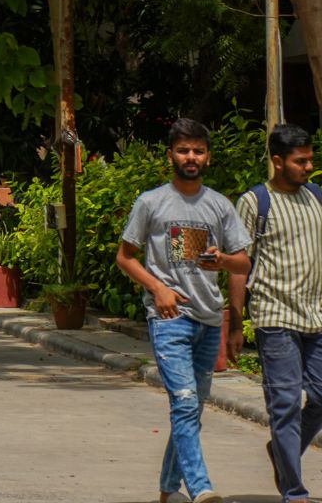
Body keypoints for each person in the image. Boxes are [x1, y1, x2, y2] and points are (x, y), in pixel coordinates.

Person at [117, 118, 251, 503]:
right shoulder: (151, 202)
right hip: (170, 319)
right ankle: (201, 488)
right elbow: (125, 257)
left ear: (208, 157)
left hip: (209, 319)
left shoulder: (220, 205)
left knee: (190, 409)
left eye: (198, 150)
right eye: (183, 150)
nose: (191, 157)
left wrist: (222, 262)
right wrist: (158, 288)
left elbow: (243, 263)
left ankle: (167, 489)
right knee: (186, 401)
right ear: (170, 156)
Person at [231, 123, 322, 503]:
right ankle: (294, 491)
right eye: (301, 161)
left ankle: (283, 454)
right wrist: (236, 321)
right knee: (284, 405)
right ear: (278, 161)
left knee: (320, 397)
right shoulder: (255, 203)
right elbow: (240, 265)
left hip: (316, 316)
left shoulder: (317, 198)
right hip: (274, 317)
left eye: (310, 160)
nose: (308, 167)